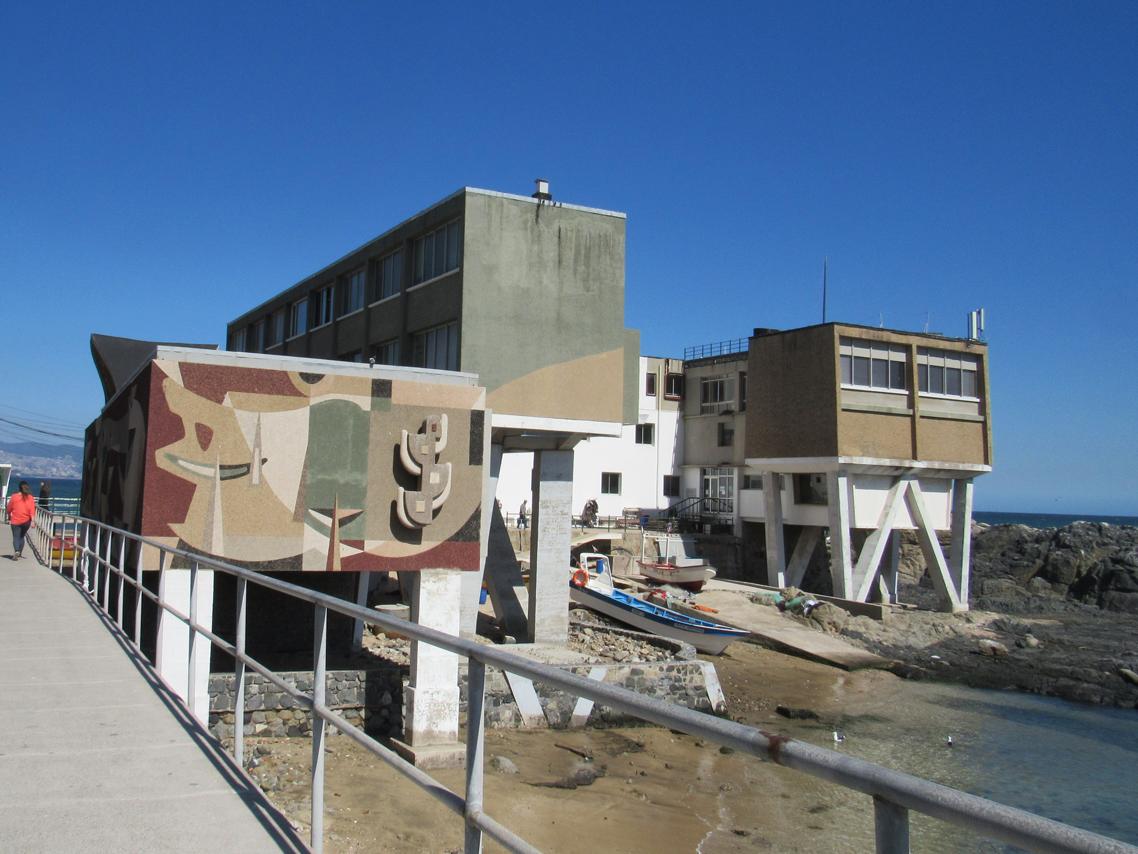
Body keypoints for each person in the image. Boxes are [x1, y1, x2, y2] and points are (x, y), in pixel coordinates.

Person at [7, 481, 36, 560]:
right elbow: (32, 510)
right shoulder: (30, 497)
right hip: (26, 521)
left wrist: (9, 515)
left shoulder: (14, 496)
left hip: (15, 521)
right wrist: (33, 521)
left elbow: (9, 508)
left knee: (16, 537)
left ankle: (16, 551)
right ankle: (19, 552)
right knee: (22, 536)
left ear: (19, 488)